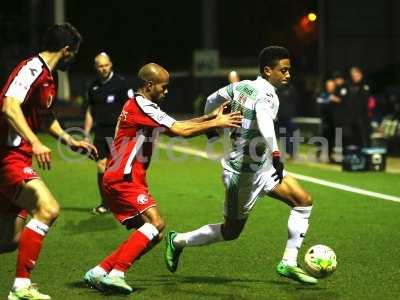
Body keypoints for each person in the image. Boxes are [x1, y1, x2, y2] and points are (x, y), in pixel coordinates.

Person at [83, 63, 242, 294]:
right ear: (149, 85)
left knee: (152, 234)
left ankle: (101, 271)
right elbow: (181, 131)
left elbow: (175, 126)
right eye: (163, 87)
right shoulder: (143, 106)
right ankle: (117, 273)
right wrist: (217, 123)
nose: (166, 91)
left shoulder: (142, 104)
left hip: (124, 176)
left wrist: (208, 118)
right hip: (123, 177)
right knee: (156, 223)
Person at [164, 46, 318, 284]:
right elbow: (265, 121)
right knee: (230, 232)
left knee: (303, 201)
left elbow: (210, 100)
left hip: (263, 168)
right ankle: (177, 241)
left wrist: (212, 127)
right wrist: (277, 152)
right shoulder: (267, 96)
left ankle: (288, 262)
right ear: (268, 71)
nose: (288, 75)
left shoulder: (240, 86)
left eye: (289, 70)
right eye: (283, 70)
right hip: (241, 175)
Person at [0, 23, 98, 300]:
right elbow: (9, 106)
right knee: (48, 208)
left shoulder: (47, 77)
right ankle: (21, 287)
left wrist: (70, 140)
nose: (74, 58)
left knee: (10, 241)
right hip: (6, 155)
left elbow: (45, 116)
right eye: (74, 53)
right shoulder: (31, 68)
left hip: (15, 154)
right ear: (66, 50)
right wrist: (35, 141)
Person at [84, 52, 132, 214]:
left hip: (119, 133)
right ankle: (105, 203)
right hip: (100, 131)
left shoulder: (121, 83)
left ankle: (124, 202)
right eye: (100, 66)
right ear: (96, 67)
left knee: (119, 169)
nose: (103, 69)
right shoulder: (93, 86)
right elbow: (90, 111)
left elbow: (129, 108)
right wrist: (86, 133)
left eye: (106, 65)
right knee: (100, 166)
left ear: (110, 64)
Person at [347, 66, 371, 147]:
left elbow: (365, 102)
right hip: (351, 117)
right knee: (352, 138)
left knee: (364, 137)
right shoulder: (349, 86)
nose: (355, 77)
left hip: (363, 117)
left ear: (360, 75)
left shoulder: (365, 86)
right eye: (353, 75)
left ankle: (365, 154)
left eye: (356, 75)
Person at [316, 79, 336, 161]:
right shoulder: (323, 95)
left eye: (331, 86)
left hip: (333, 121)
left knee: (331, 139)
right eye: (328, 85)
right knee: (321, 138)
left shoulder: (336, 95)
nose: (330, 87)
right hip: (324, 121)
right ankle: (318, 153)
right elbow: (320, 104)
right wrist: (329, 100)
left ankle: (330, 156)